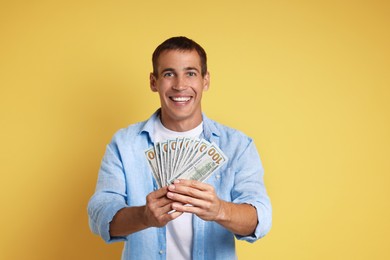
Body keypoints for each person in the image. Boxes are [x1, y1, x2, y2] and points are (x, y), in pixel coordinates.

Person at [87, 36, 272, 260]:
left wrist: (219, 210)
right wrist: (144, 216)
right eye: (168, 74)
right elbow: (99, 215)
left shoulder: (238, 145)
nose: (180, 85)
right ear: (153, 82)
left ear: (206, 80)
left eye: (190, 73)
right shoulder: (124, 144)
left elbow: (260, 217)